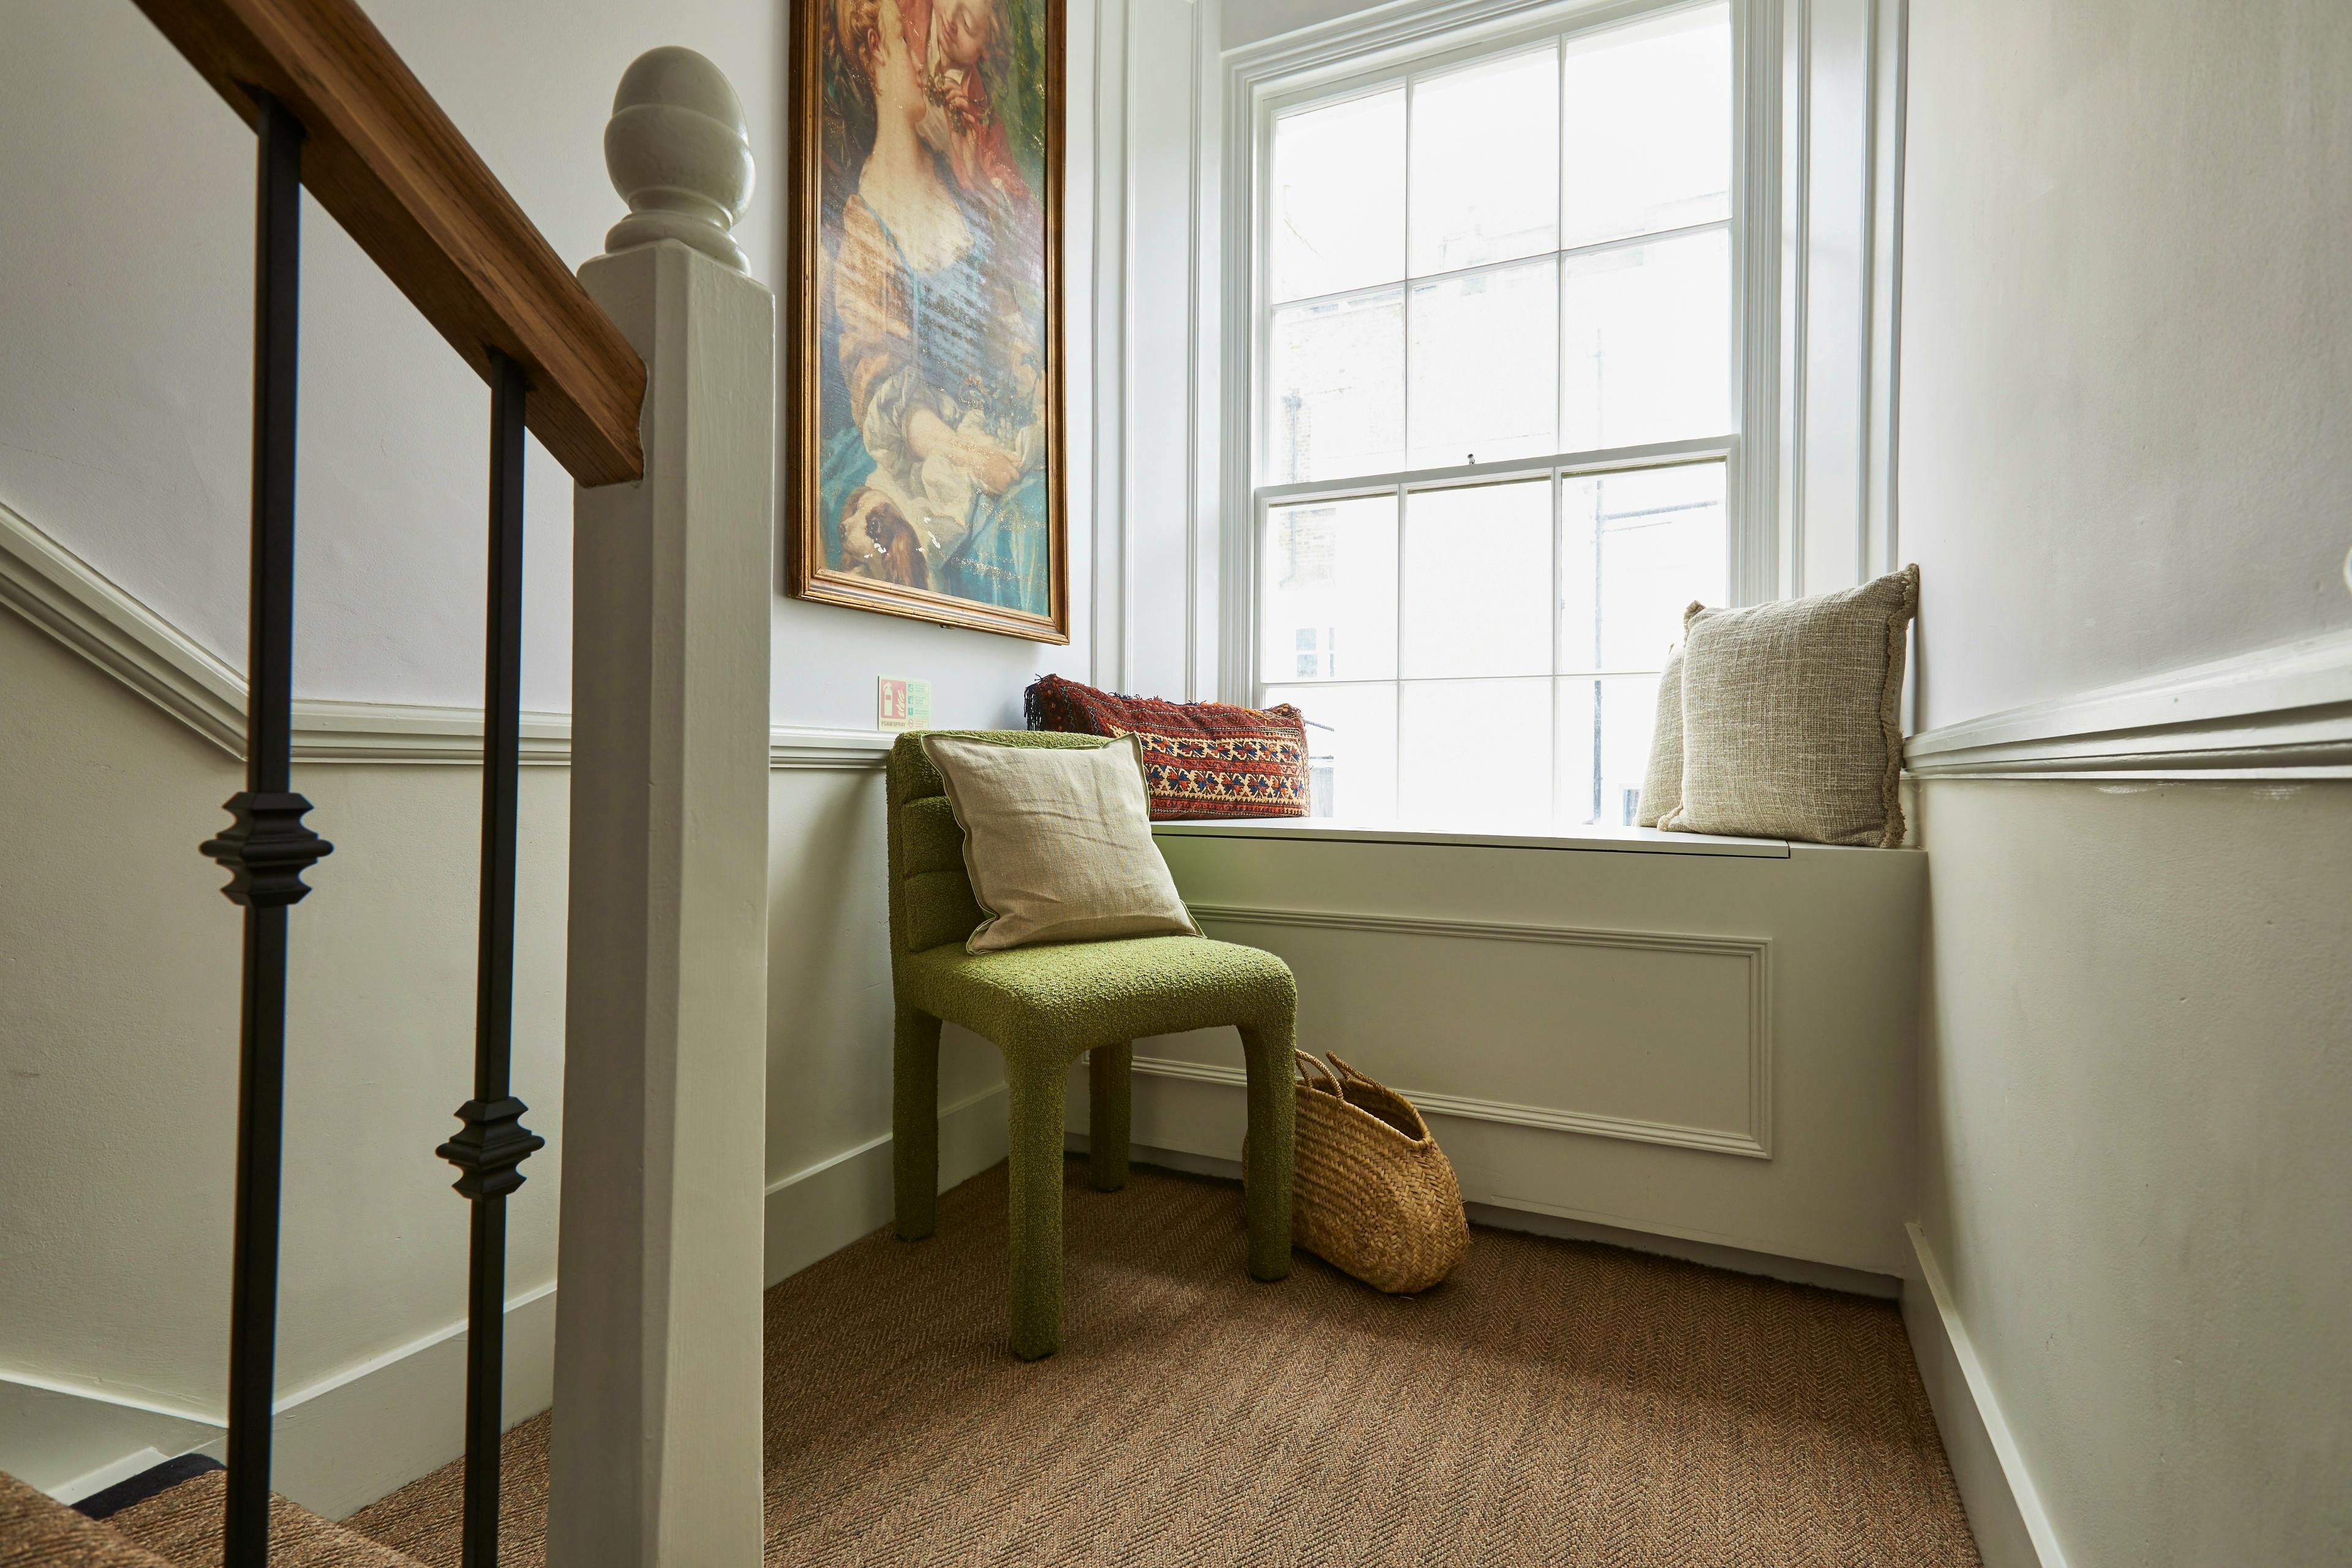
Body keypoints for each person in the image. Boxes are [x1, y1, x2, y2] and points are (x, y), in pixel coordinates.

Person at [822, 0, 1048, 612]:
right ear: (874, 51)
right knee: (1026, 526)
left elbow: (1009, 338)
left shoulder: (963, 197)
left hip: (985, 425)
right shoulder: (867, 226)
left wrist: (1038, 395)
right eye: (907, 41)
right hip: (926, 449)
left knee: (1047, 504)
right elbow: (889, 394)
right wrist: (970, 453)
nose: (925, 63)